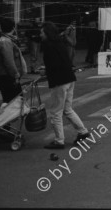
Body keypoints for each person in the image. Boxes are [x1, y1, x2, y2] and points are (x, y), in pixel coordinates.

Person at [41, 21, 89, 149]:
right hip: (69, 78)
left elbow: (53, 65)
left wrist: (45, 71)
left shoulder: (48, 45)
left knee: (56, 112)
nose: (40, 34)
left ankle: (59, 141)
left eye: (42, 32)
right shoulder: (60, 42)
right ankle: (82, 131)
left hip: (60, 81)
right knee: (67, 109)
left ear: (47, 33)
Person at [0, 18, 25, 104]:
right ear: (13, 28)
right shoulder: (5, 41)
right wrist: (15, 74)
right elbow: (9, 61)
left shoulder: (6, 40)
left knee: (11, 101)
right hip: (6, 76)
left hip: (5, 75)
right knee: (15, 101)